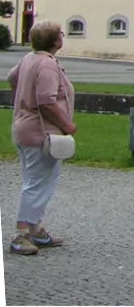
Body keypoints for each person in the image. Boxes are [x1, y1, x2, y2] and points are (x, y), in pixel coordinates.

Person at [7, 20, 75, 255]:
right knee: (37, 184)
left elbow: (12, 78)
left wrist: (24, 99)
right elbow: (47, 102)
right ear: (57, 40)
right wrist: (67, 124)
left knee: (38, 180)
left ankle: (36, 230)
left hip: (25, 128)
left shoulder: (29, 58)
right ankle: (22, 233)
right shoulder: (46, 65)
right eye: (61, 35)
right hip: (40, 132)